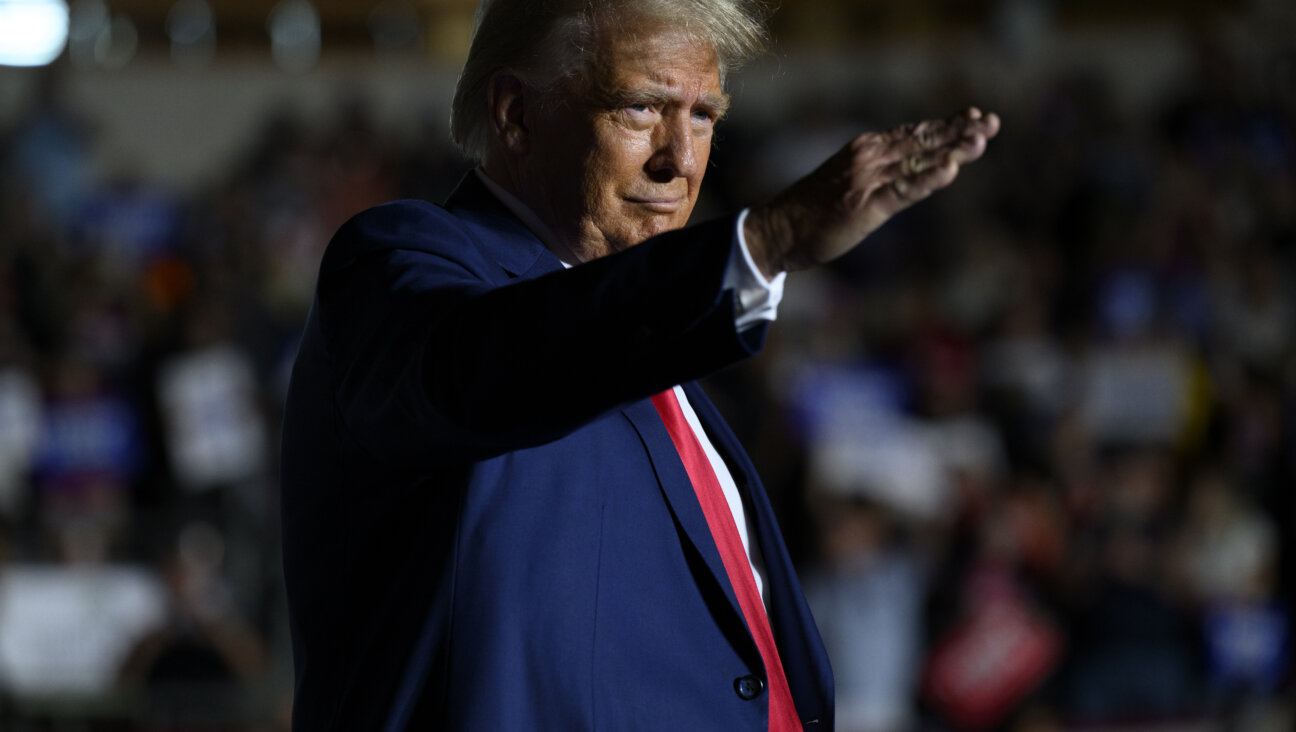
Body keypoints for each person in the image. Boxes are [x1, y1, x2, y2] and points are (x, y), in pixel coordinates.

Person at [279, 0, 999, 729]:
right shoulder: (401, 265)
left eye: (703, 117)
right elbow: (488, 367)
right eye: (640, 108)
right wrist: (766, 241)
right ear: (515, 114)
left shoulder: (656, 346)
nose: (679, 161)